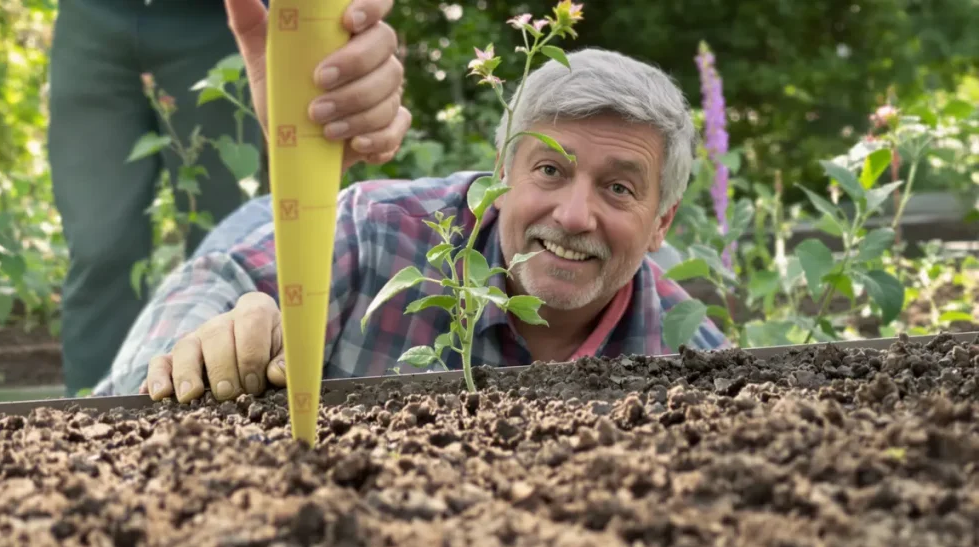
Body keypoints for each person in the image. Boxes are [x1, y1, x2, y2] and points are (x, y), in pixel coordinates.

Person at [91, 47, 730, 402]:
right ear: (501, 178)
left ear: (660, 224)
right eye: (550, 171)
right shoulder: (379, 235)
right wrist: (204, 345)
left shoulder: (693, 360)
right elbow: (213, 282)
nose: (573, 215)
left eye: (618, 187)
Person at [46, 0, 409, 396]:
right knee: (100, 248)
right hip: (91, 18)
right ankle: (89, 429)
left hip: (214, 19)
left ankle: (235, 418)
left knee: (226, 237)